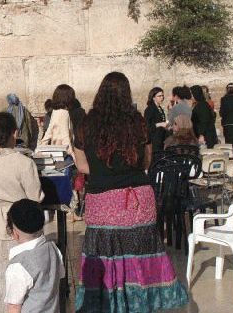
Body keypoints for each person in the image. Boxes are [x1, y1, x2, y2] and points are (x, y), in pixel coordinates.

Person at [73, 72, 188, 312]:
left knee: (107, 256)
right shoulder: (137, 121)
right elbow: (146, 161)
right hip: (137, 200)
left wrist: (103, 166)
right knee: (138, 257)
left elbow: (82, 165)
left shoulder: (88, 123)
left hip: (104, 203)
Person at [0, 112, 44, 313]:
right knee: (22, 278)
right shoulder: (23, 162)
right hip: (20, 224)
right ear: (15, 133)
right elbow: (35, 197)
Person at [4, 199, 65, 313]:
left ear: (15, 233)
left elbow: (14, 307)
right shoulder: (53, 248)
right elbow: (59, 275)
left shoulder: (18, 266)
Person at [40, 84, 74, 154]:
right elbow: (65, 137)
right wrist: (73, 156)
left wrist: (41, 147)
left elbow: (49, 132)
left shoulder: (55, 112)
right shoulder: (64, 113)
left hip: (56, 151)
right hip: (63, 153)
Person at [144, 87, 168, 153]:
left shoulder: (160, 108)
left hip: (161, 139)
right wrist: (160, 124)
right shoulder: (149, 109)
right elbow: (147, 126)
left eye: (162, 95)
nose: (162, 97)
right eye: (159, 96)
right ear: (153, 97)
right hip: (154, 141)